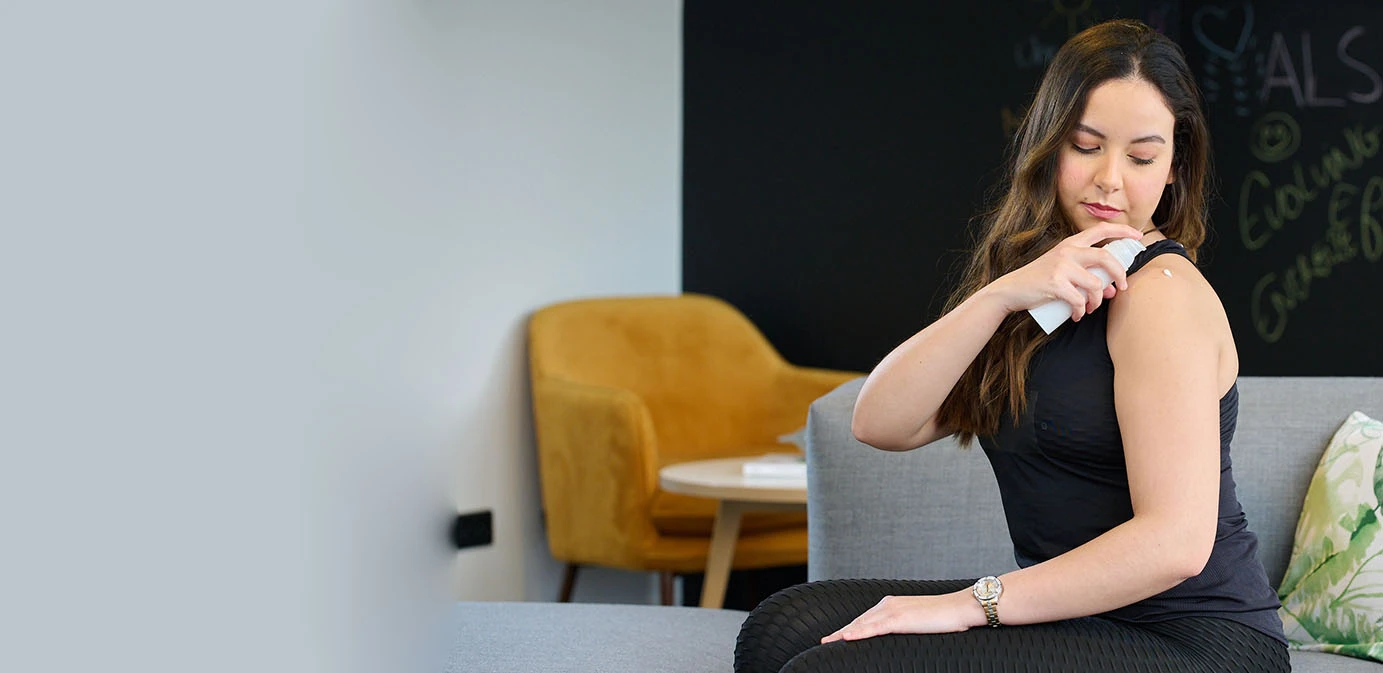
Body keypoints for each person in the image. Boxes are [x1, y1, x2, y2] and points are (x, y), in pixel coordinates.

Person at [733, 18, 1290, 673]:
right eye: (1085, 146)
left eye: (1141, 158)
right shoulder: (1043, 287)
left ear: (1174, 168)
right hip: (1081, 623)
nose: (1109, 179)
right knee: (778, 629)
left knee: (826, 668)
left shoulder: (1159, 294)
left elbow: (1175, 544)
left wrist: (969, 604)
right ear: (1049, 145)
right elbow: (878, 422)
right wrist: (998, 296)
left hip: (1198, 640)